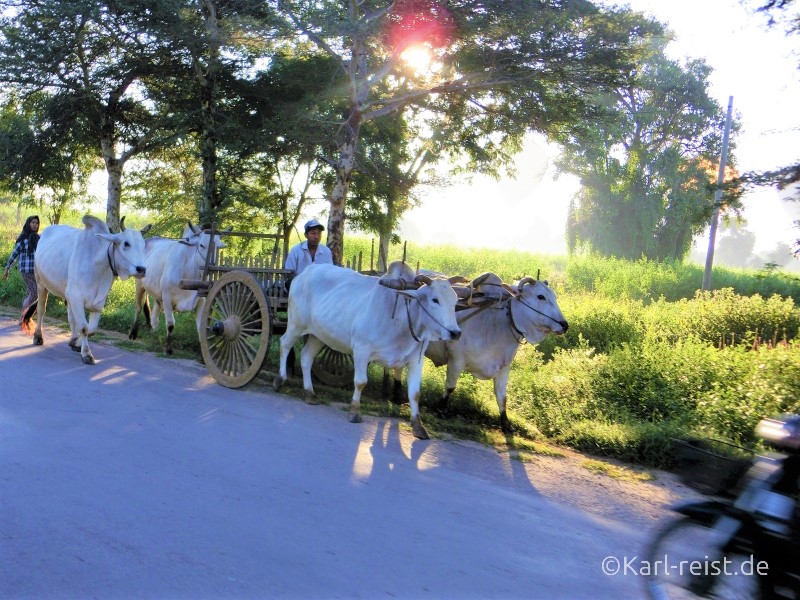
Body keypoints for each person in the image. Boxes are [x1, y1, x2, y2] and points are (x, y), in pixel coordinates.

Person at [3, 215, 40, 334]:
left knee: (32, 294)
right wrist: (7, 268)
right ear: (28, 224)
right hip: (26, 271)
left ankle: (23, 317)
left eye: (36, 223)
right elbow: (14, 254)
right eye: (32, 222)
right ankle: (24, 317)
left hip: (37, 271)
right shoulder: (23, 239)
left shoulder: (38, 238)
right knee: (35, 292)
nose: (34, 225)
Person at [284, 218, 333, 290]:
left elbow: (329, 272)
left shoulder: (326, 251)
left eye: (319, 233)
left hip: (319, 288)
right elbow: (289, 272)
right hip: (299, 287)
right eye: (313, 233)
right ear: (306, 235)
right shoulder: (296, 250)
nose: (316, 237)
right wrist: (303, 281)